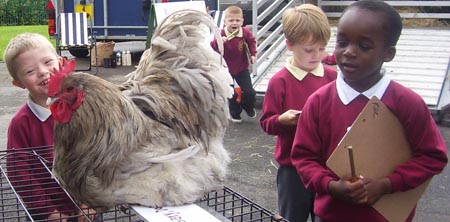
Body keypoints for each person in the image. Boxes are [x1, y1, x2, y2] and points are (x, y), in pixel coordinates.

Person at [290, 1, 448, 222]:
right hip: (332, 216)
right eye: (342, 42)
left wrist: (387, 184)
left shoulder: (407, 103)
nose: (349, 52)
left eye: (364, 46)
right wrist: (331, 185)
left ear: (388, 53)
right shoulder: (318, 102)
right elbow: (304, 157)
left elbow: (433, 157)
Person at [4, 33, 96, 222]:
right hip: (46, 215)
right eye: (30, 71)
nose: (42, 72)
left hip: (86, 209)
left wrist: (91, 202)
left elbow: (96, 158)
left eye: (47, 62)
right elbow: (20, 173)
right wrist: (49, 212)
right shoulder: (21, 123)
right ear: (18, 83)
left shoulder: (83, 110)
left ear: (61, 62)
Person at [259, 4, 337, 222]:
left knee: (325, 216)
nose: (316, 55)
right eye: (309, 50)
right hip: (292, 169)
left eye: (322, 49)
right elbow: (266, 123)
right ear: (290, 45)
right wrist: (283, 120)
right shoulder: (279, 81)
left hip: (326, 166)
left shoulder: (333, 78)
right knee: (292, 217)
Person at [211, 5, 257, 123]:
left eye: (237, 20)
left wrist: (253, 54)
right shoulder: (221, 33)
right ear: (225, 21)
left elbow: (252, 42)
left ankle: (247, 106)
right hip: (226, 69)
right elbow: (212, 47)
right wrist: (219, 42)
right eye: (231, 20)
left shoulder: (244, 32)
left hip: (241, 67)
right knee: (231, 94)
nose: (234, 23)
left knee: (249, 92)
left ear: (242, 21)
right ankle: (235, 113)